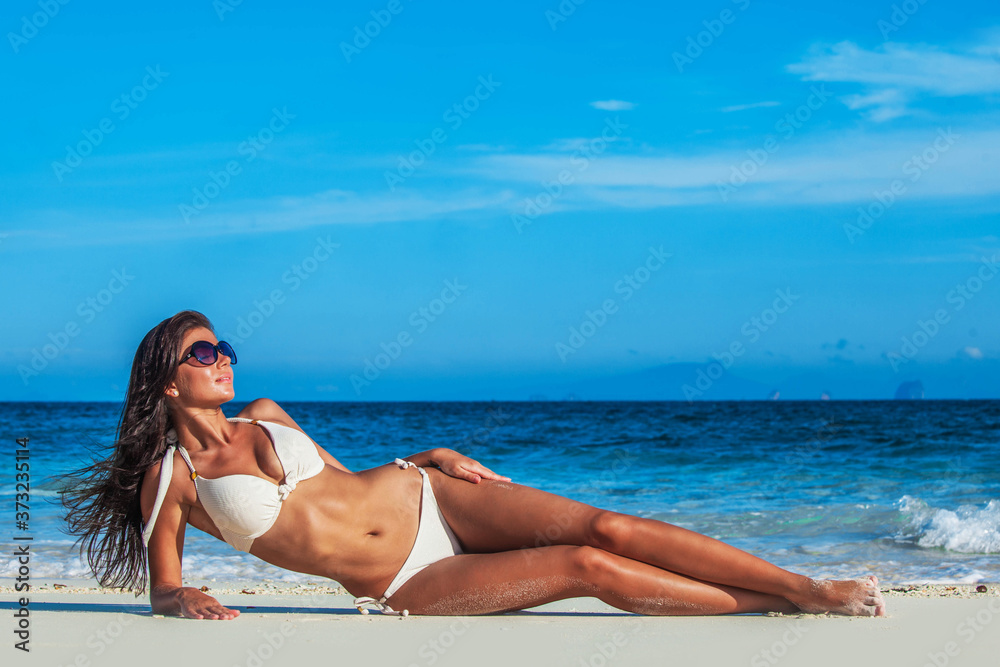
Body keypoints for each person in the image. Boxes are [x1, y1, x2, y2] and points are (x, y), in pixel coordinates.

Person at [62, 310, 887, 620]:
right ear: (171, 379)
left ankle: (804, 587)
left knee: (609, 522)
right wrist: (181, 599)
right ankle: (771, 603)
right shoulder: (171, 479)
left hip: (433, 498)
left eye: (225, 345)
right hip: (403, 584)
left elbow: (343, 480)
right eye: (205, 351)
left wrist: (424, 456)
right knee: (587, 565)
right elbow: (162, 581)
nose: (224, 358)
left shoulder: (267, 414)